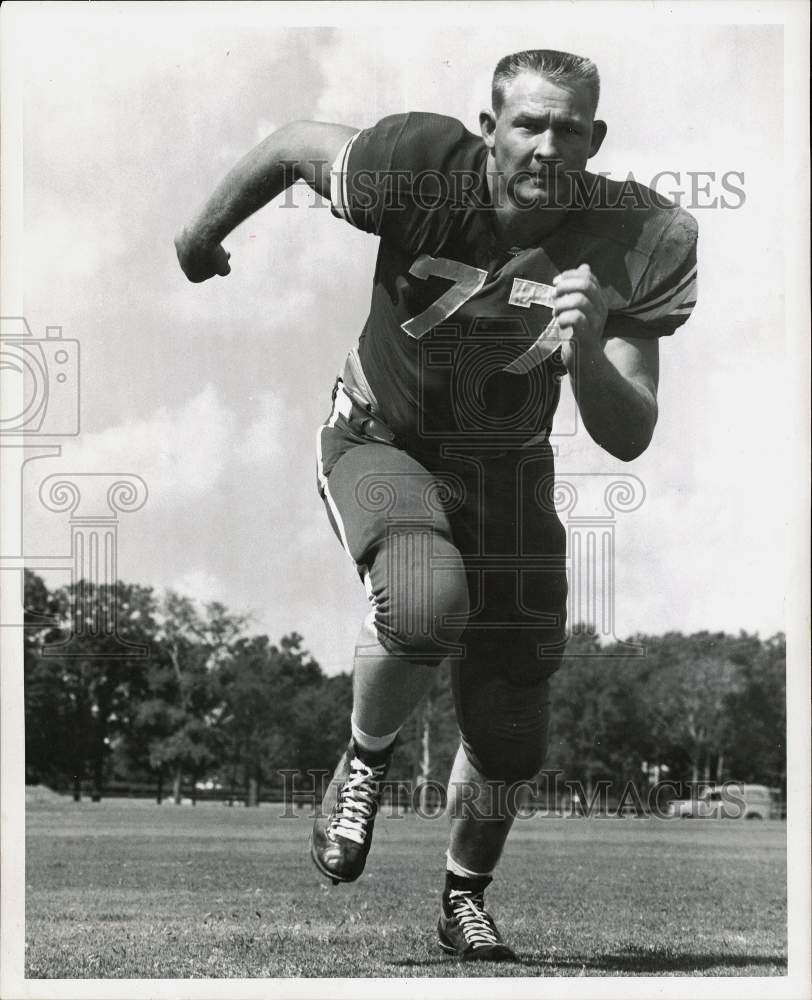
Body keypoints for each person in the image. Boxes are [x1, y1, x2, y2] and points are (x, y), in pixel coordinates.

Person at [175, 48, 698, 962]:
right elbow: (295, 145)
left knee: (511, 732)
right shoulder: (419, 167)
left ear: (595, 138)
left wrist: (586, 356)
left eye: (567, 127)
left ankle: (464, 898)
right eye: (527, 123)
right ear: (490, 126)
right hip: (385, 437)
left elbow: (631, 433)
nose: (545, 145)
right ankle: (366, 759)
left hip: (510, 476)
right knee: (423, 599)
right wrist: (199, 238)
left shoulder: (640, 237)